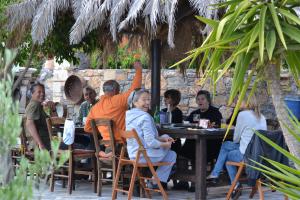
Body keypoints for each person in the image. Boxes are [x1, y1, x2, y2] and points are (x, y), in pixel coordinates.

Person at [207, 95, 267, 199]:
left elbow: (236, 139)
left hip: (247, 156)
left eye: (239, 99)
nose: (237, 101)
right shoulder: (261, 116)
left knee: (228, 156)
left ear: (246, 101)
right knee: (226, 146)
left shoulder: (243, 114)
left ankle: (233, 184)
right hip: (261, 156)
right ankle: (216, 174)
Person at [84, 61, 142, 157]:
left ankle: (106, 155)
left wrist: (103, 131)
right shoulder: (118, 100)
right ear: (115, 90)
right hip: (123, 147)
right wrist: (139, 71)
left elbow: (87, 128)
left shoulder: (94, 108)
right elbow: (134, 90)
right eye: (119, 91)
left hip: (108, 148)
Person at [126, 88, 177, 189]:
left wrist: (162, 138)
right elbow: (150, 142)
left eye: (148, 99)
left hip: (133, 154)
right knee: (171, 151)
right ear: (135, 102)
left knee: (171, 154)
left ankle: (154, 181)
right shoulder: (145, 117)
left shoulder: (129, 115)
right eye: (144, 99)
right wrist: (165, 145)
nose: (147, 102)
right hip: (143, 155)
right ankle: (155, 182)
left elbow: (145, 137)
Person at [180, 90, 223, 191]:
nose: (200, 101)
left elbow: (217, 125)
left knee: (197, 153)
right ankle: (183, 181)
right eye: (198, 99)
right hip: (194, 141)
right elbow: (187, 124)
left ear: (208, 100)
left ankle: (196, 183)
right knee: (181, 152)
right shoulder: (195, 113)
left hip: (210, 144)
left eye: (202, 99)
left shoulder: (215, 112)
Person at [25, 82, 56, 150]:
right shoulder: (34, 105)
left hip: (47, 141)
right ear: (32, 94)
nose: (42, 94)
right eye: (39, 92)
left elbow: (56, 124)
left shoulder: (38, 105)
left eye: (43, 92)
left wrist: (53, 109)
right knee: (81, 146)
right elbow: (29, 123)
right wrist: (40, 144)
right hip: (44, 144)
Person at [161, 89, 183, 153]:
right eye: (165, 98)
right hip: (162, 139)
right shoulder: (163, 111)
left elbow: (175, 127)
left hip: (173, 140)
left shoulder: (178, 112)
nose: (165, 100)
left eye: (167, 98)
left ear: (174, 100)